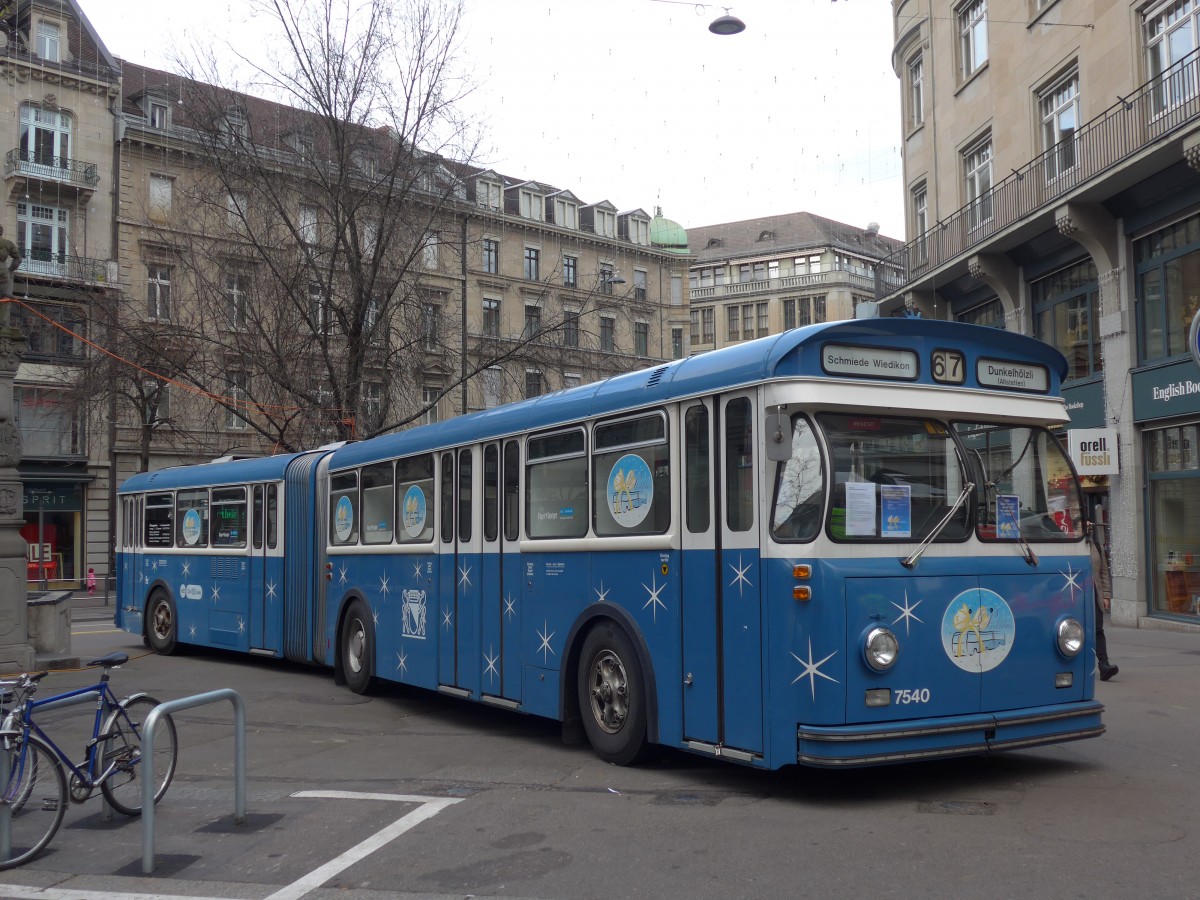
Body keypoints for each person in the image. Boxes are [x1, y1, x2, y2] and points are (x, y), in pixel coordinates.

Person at [1089, 521, 1119, 681]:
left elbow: (1103, 571)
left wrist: (1106, 594)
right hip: (1076, 594)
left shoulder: (1096, 545)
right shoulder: (1071, 545)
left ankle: (1104, 666)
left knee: (1098, 630)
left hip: (1095, 593)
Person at [0, 225, 22, 328]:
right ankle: (3, 323)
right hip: (3, 271)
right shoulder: (7, 243)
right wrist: (10, 270)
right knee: (6, 297)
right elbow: (18, 260)